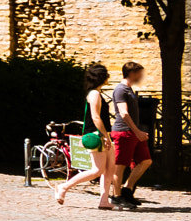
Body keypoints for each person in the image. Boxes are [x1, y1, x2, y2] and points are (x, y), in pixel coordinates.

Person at [56, 64, 113, 205]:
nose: (108, 77)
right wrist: (105, 136)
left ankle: (104, 200)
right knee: (97, 170)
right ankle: (63, 187)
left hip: (102, 134)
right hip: (96, 135)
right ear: (101, 77)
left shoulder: (96, 93)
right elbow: (95, 117)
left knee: (109, 168)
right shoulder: (94, 94)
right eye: (106, 75)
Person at [105, 62, 154, 209]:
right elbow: (123, 113)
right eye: (139, 73)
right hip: (124, 132)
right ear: (132, 73)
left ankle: (127, 190)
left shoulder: (129, 89)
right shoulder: (120, 89)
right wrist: (137, 131)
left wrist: (137, 132)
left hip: (132, 132)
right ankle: (116, 196)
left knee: (146, 161)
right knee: (120, 166)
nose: (141, 76)